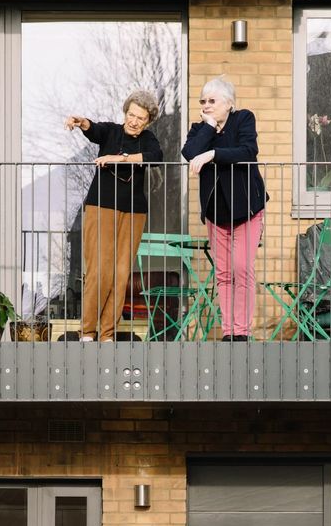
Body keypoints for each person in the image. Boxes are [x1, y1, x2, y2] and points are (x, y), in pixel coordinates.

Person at [65, 90, 162, 342]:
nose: (134, 121)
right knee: (99, 270)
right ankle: (87, 331)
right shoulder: (112, 132)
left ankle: (107, 333)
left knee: (121, 274)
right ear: (125, 112)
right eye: (131, 114)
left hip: (134, 211)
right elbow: (93, 128)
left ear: (148, 121)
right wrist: (81, 121)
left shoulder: (149, 139)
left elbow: (156, 157)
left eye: (141, 118)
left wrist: (118, 159)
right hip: (101, 206)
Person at [181, 77, 267, 341]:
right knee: (223, 273)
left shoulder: (243, 119)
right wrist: (208, 128)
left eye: (212, 101)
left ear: (228, 103)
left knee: (242, 268)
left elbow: (248, 151)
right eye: (203, 101)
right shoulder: (199, 129)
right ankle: (229, 331)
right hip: (216, 212)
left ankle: (242, 332)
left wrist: (212, 155)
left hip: (247, 208)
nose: (206, 105)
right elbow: (189, 152)